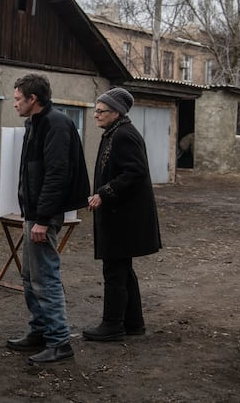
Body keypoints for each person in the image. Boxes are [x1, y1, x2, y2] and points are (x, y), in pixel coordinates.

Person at [6, 74, 90, 365]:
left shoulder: (56, 124)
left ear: (33, 99)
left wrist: (42, 218)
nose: (15, 103)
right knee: (30, 277)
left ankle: (59, 342)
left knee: (45, 278)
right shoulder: (36, 124)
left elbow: (57, 175)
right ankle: (40, 332)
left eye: (18, 99)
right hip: (34, 213)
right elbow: (34, 173)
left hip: (44, 215)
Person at [84, 87, 161, 341]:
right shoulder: (115, 132)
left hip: (123, 217)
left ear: (116, 112)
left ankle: (113, 325)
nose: (96, 115)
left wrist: (104, 193)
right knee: (123, 269)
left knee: (115, 270)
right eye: (96, 110)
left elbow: (135, 172)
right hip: (120, 215)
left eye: (101, 111)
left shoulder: (123, 135)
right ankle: (133, 323)